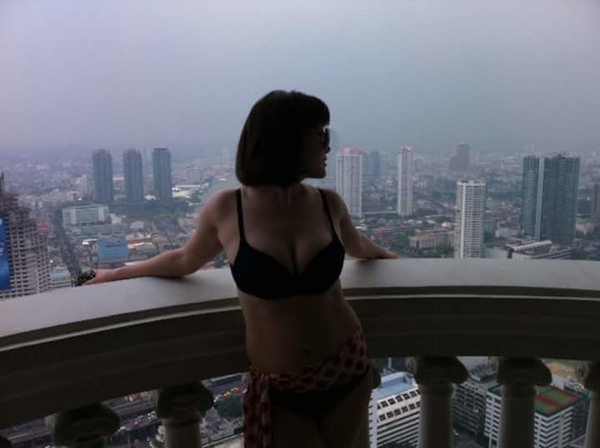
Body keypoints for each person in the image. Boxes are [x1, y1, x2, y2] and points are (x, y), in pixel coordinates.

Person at [85, 90, 397, 447]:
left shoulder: (329, 204)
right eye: (320, 134)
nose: (328, 145)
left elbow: (359, 246)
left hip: (347, 365)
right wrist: (114, 274)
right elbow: (185, 259)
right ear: (287, 140)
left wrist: (392, 259)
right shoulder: (227, 208)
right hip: (282, 385)